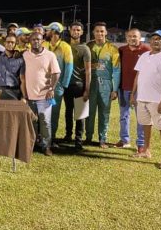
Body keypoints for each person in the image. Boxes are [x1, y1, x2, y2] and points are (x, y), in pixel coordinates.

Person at [130, 30, 161, 170]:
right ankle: (146, 150)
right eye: (153, 38)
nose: (156, 41)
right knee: (146, 124)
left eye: (159, 39)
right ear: (150, 41)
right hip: (142, 98)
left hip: (158, 100)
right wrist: (133, 94)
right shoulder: (144, 56)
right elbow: (138, 76)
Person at [21, 32, 60, 156]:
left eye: (38, 39)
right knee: (32, 122)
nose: (35, 41)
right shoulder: (25, 55)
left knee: (45, 122)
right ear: (29, 41)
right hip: (29, 95)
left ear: (42, 40)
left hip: (44, 95)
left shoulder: (50, 55)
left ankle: (46, 146)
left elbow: (56, 73)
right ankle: (32, 144)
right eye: (33, 39)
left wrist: (51, 89)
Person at [85, 22, 120, 148]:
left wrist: (114, 89)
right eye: (97, 31)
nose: (99, 33)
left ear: (106, 33)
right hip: (91, 83)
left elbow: (116, 70)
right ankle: (88, 137)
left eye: (102, 31)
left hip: (106, 84)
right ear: (93, 33)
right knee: (89, 111)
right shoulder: (88, 46)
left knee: (104, 112)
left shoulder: (112, 48)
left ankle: (102, 139)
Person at [116, 28, 150, 152]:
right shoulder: (121, 50)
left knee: (140, 117)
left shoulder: (146, 50)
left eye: (135, 36)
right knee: (123, 115)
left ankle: (140, 143)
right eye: (130, 36)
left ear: (139, 37)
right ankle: (124, 140)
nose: (132, 38)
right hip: (123, 88)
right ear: (126, 38)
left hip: (140, 90)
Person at [43, 22, 73, 146]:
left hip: (56, 87)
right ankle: (42, 137)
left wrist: (63, 85)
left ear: (54, 32)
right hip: (43, 85)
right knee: (43, 111)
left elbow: (69, 66)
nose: (46, 32)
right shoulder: (44, 44)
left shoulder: (65, 47)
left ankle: (52, 138)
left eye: (48, 30)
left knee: (53, 112)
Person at [62, 21, 91, 150]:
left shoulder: (85, 49)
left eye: (78, 30)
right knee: (68, 112)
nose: (76, 32)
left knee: (80, 114)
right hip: (66, 85)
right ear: (69, 30)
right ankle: (68, 135)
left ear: (82, 32)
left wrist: (87, 89)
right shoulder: (64, 46)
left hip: (79, 85)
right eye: (74, 29)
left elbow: (88, 71)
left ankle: (78, 140)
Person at [0, 33, 25, 100]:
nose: (10, 44)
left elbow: (22, 80)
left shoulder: (20, 59)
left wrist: (23, 96)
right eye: (8, 42)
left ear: (15, 44)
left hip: (15, 92)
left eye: (12, 42)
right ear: (4, 43)